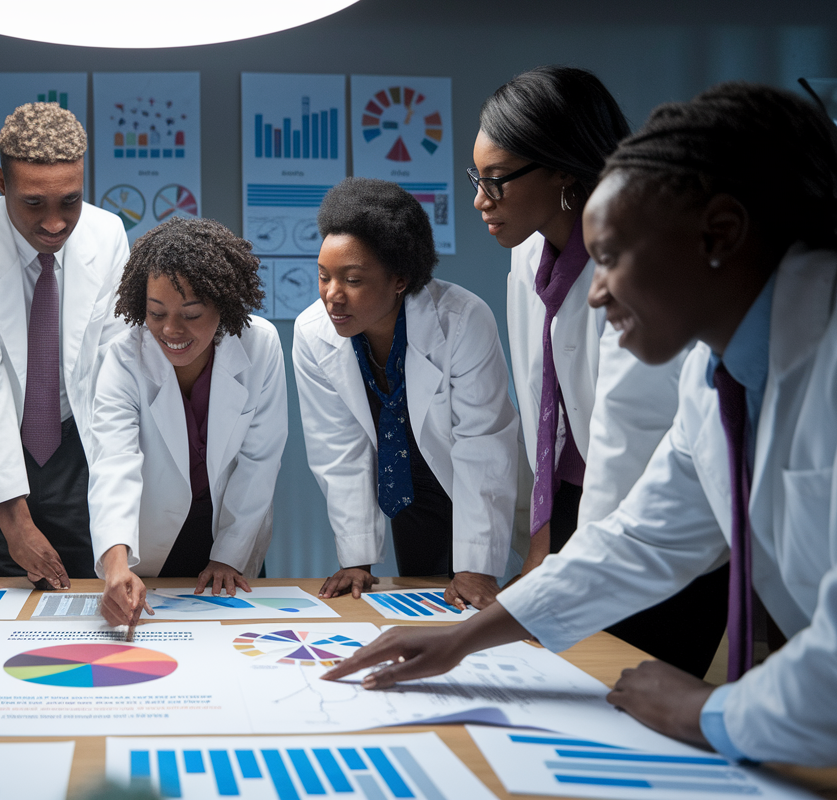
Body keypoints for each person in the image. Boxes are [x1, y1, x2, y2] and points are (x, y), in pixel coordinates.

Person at [324, 83, 837, 767]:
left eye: (614, 258)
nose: (593, 293)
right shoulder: (714, 378)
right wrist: (467, 638)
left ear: (720, 233)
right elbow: (643, 536)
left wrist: (705, 710)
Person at [471, 66, 726, 675]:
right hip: (579, 511)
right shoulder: (529, 252)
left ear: (562, 169)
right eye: (476, 179)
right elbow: (545, 409)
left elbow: (626, 434)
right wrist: (543, 539)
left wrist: (564, 573)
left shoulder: (642, 264)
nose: (481, 200)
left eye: (497, 181)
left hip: (655, 529)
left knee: (624, 702)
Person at [295, 178, 519, 608]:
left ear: (399, 279)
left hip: (466, 478)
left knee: (476, 600)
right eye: (323, 277)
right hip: (402, 486)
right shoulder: (313, 333)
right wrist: (357, 558)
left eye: (353, 279)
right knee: (428, 606)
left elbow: (482, 442)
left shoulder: (462, 319)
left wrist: (476, 566)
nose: (332, 296)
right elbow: (338, 448)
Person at [0, 103, 129, 586]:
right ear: (1, 182)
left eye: (69, 201)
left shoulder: (108, 234)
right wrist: (13, 516)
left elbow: (115, 374)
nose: (54, 223)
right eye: (33, 203)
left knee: (86, 600)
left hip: (76, 451)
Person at [89, 218, 288, 627]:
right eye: (155, 313)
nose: (171, 330)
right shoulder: (123, 358)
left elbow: (259, 461)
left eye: (191, 314)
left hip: (231, 532)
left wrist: (229, 555)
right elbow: (114, 463)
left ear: (224, 304)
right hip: (148, 537)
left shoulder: (260, 345)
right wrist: (116, 564)